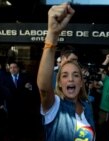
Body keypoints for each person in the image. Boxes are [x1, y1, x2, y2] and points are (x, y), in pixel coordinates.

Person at [37, 3, 95, 141]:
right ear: (59, 83)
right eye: (65, 75)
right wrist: (52, 34)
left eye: (76, 75)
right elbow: (44, 89)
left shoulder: (87, 106)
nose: (70, 79)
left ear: (81, 82)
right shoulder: (55, 106)